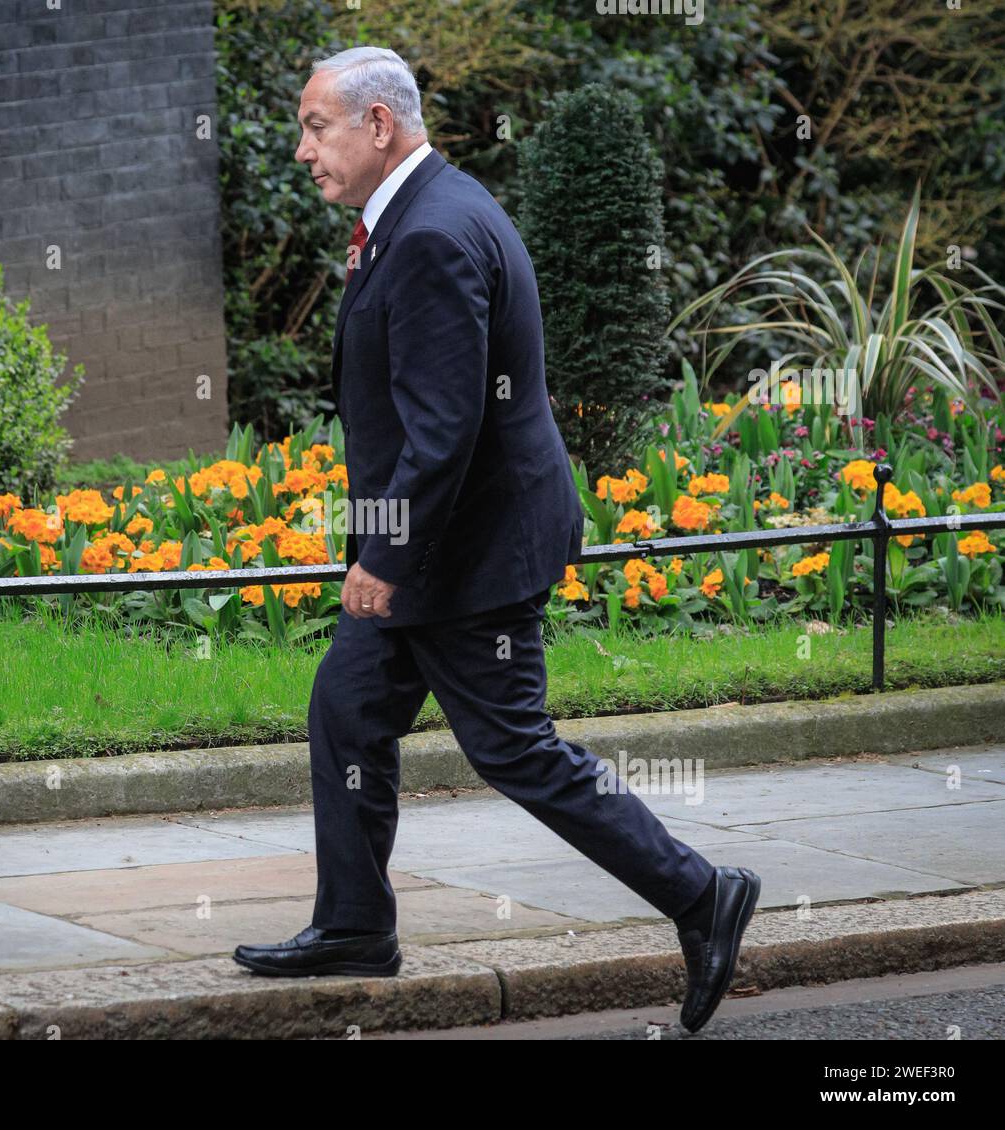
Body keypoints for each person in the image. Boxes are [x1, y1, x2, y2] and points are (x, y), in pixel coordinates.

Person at [232, 45, 759, 1033]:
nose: (301, 148)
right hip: (451, 544)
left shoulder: (431, 232)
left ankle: (702, 892)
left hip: (466, 554)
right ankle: (352, 922)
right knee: (346, 712)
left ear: (377, 125)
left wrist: (383, 559)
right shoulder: (422, 214)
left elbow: (444, 428)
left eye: (315, 126)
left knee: (516, 748)